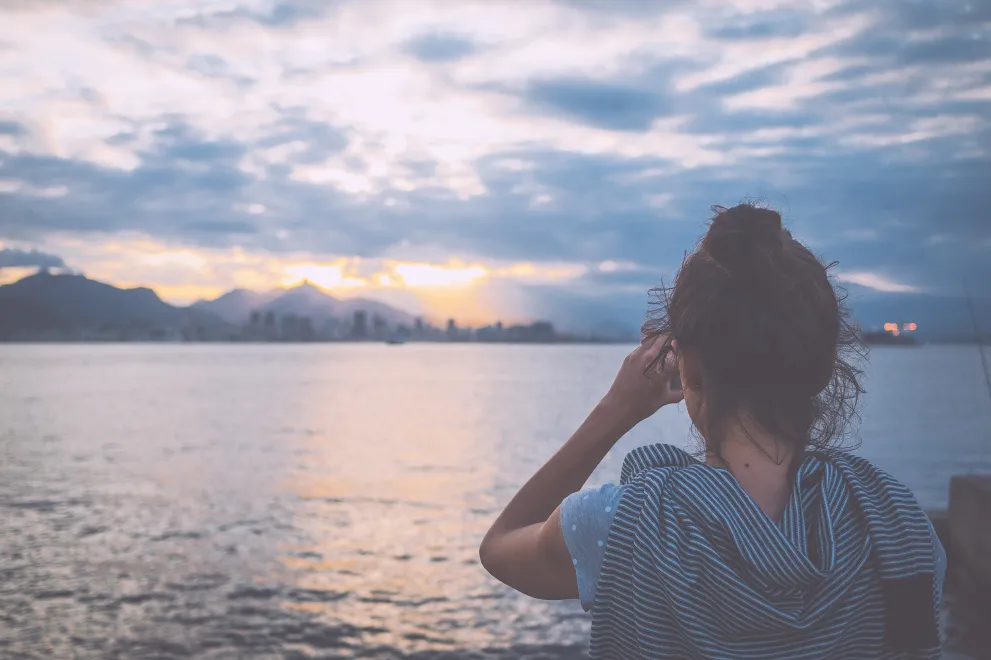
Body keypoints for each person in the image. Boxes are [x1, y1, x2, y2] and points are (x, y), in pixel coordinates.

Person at [478, 203, 945, 659]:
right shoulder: (902, 532)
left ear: (691, 366)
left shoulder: (620, 524)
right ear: (824, 368)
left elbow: (500, 547)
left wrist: (616, 409)